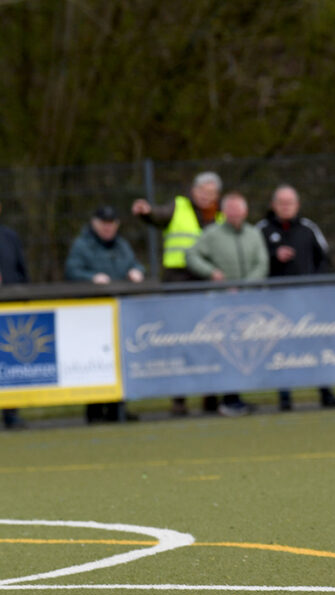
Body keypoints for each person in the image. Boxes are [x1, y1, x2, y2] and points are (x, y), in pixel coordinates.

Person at [133, 171, 225, 416]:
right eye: (202, 191)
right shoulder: (179, 206)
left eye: (211, 193)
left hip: (207, 283)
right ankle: (179, 398)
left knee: (210, 339)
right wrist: (147, 212)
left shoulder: (221, 216)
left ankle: (210, 395)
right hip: (178, 282)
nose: (206, 197)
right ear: (193, 191)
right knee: (179, 339)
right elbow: (159, 216)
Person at [256, 185, 335, 411]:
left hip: (308, 302)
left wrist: (315, 285)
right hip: (276, 303)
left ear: (297, 205)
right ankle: (285, 397)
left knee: (316, 345)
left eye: (290, 203)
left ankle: (325, 392)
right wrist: (274, 256)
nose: (286, 207)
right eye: (281, 203)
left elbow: (324, 258)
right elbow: (255, 262)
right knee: (281, 348)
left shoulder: (308, 228)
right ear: (273, 205)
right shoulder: (262, 230)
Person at [186, 191, 268, 416]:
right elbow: (191, 255)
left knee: (244, 352)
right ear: (224, 212)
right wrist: (211, 272)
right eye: (230, 211)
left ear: (245, 212)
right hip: (220, 303)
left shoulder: (253, 234)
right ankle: (223, 399)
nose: (234, 215)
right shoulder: (212, 234)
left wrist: (245, 288)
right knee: (221, 351)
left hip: (247, 302)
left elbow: (262, 264)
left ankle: (235, 398)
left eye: (238, 211)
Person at [64, 205, 145, 423]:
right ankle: (95, 409)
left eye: (112, 224)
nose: (109, 229)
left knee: (120, 361)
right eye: (104, 224)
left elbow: (135, 263)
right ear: (95, 224)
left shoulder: (121, 245)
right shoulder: (82, 245)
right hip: (93, 315)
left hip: (120, 312)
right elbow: (72, 270)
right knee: (96, 361)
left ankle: (117, 408)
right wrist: (91, 278)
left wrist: (137, 270)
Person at [0, 203, 29, 430]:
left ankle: (11, 413)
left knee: (9, 362)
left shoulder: (10, 237)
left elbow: (22, 271)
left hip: (9, 310)